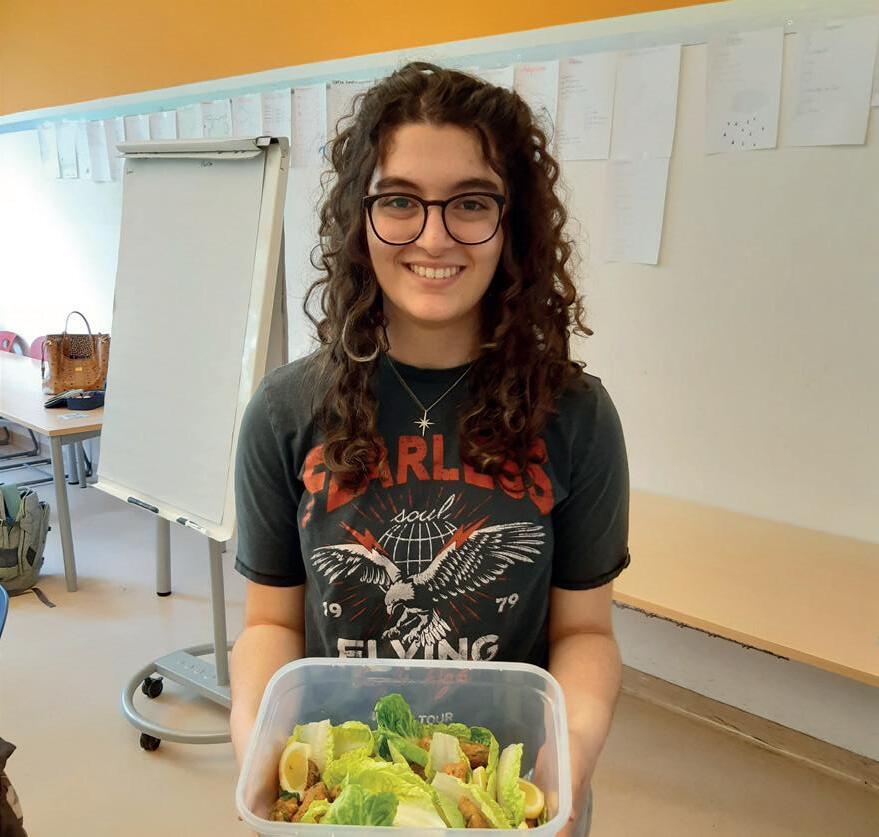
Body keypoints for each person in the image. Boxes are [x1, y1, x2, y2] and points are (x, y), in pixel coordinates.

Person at [230, 61, 630, 835]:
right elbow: (270, 621)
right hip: (341, 789)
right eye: (399, 201)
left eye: (470, 202)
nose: (434, 236)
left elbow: (584, 631)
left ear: (512, 223)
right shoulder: (286, 410)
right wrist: (258, 738)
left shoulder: (575, 414)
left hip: (504, 793)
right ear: (360, 216)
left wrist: (568, 752)